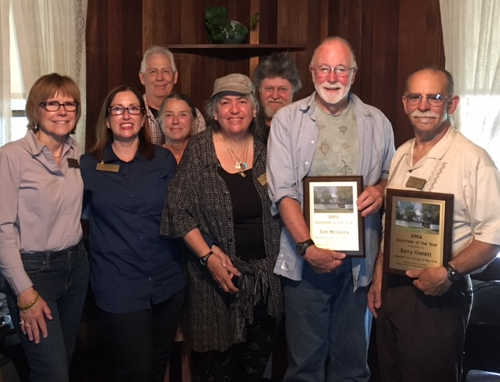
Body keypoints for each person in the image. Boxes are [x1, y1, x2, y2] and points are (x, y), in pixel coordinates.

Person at [267, 36, 395, 381]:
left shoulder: (378, 122)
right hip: (304, 263)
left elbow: (389, 178)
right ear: (312, 73)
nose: (332, 77)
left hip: (358, 267)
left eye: (341, 69)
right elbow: (283, 193)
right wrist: (308, 247)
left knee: (352, 367)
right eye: (324, 68)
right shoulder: (287, 121)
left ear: (354, 74)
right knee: (304, 367)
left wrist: (381, 190)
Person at [368, 68, 500, 382]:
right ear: (404, 103)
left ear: (451, 104)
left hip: (441, 294)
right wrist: (378, 280)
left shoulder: (473, 159)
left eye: (435, 97)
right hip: (394, 292)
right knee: (389, 373)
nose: (423, 106)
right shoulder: (401, 155)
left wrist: (449, 272)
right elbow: (391, 226)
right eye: (415, 97)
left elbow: (493, 237)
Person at [161, 73, 282, 381]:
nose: (234, 109)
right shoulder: (199, 151)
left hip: (263, 287)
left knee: (254, 371)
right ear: (214, 112)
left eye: (242, 101)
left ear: (254, 110)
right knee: (216, 371)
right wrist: (208, 257)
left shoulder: (267, 151)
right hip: (214, 286)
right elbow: (177, 211)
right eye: (225, 103)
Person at [80, 85, 186, 381]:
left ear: (142, 119)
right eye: (118, 109)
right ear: (107, 119)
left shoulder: (163, 160)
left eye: (133, 109)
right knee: (132, 370)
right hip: (118, 285)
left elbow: (183, 213)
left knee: (156, 366)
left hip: (166, 282)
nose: (125, 115)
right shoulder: (88, 165)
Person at [0, 73, 89, 382]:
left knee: (64, 360)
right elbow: (3, 229)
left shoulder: (76, 153)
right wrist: (24, 293)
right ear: (36, 110)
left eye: (69, 104)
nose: (62, 110)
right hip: (34, 274)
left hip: (76, 267)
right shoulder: (12, 156)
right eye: (52, 103)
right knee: (52, 373)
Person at [139, 46, 206, 144]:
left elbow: (202, 154)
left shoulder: (194, 115)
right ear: (142, 78)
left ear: (175, 77)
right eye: (153, 71)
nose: (160, 77)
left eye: (166, 71)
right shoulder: (133, 113)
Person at [251, 52, 302, 143]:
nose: (275, 96)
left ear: (293, 91)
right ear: (259, 91)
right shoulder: (248, 130)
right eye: (269, 89)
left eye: (282, 89)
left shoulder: (304, 129)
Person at [159, 93, 198, 164]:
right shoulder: (151, 159)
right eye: (169, 115)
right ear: (160, 120)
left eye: (183, 115)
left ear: (193, 121)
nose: (175, 121)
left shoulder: (204, 156)